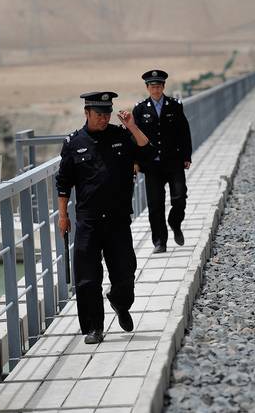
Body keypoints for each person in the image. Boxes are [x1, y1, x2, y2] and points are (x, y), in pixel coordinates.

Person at [56, 91, 155, 344]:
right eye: (99, 114)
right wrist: (63, 215)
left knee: (125, 272)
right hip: (88, 221)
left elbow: (147, 151)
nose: (104, 118)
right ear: (87, 113)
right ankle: (94, 328)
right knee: (87, 278)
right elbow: (63, 183)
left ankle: (120, 303)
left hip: (117, 218)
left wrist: (132, 126)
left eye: (107, 114)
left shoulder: (121, 136)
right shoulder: (73, 143)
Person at [132, 69, 192, 253]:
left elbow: (184, 132)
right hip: (152, 165)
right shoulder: (140, 109)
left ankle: (175, 222)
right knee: (155, 205)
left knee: (180, 197)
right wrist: (135, 162)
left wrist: (186, 156)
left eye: (158, 86)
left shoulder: (175, 106)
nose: (156, 90)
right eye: (152, 87)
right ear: (147, 88)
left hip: (173, 161)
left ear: (163, 87)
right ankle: (160, 241)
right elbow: (134, 137)